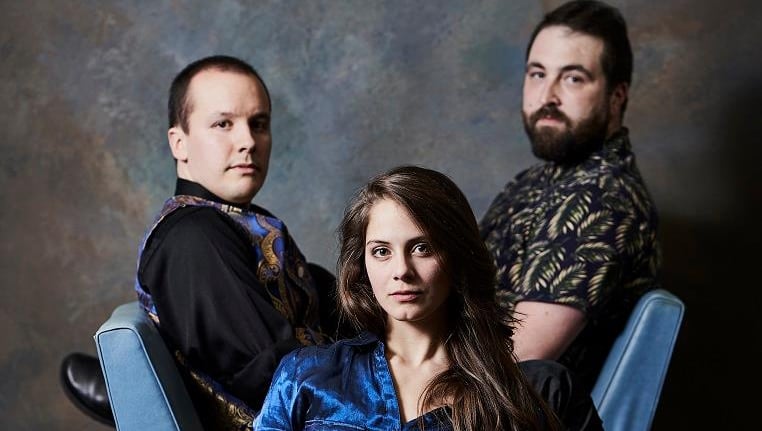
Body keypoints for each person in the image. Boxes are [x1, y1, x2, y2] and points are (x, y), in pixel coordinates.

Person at [62, 55, 342, 429]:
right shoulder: (193, 238)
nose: (248, 141)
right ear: (179, 143)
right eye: (223, 124)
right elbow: (276, 377)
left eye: (258, 124)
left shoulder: (235, 224)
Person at [254, 166, 601, 431]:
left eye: (422, 248)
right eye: (381, 251)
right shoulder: (306, 376)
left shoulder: (530, 393)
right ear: (361, 265)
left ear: (457, 257)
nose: (401, 270)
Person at [479, 0, 661, 390]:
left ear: (616, 96)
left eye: (573, 78)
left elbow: (515, 360)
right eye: (537, 74)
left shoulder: (602, 198)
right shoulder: (533, 182)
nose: (548, 95)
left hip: (496, 408)